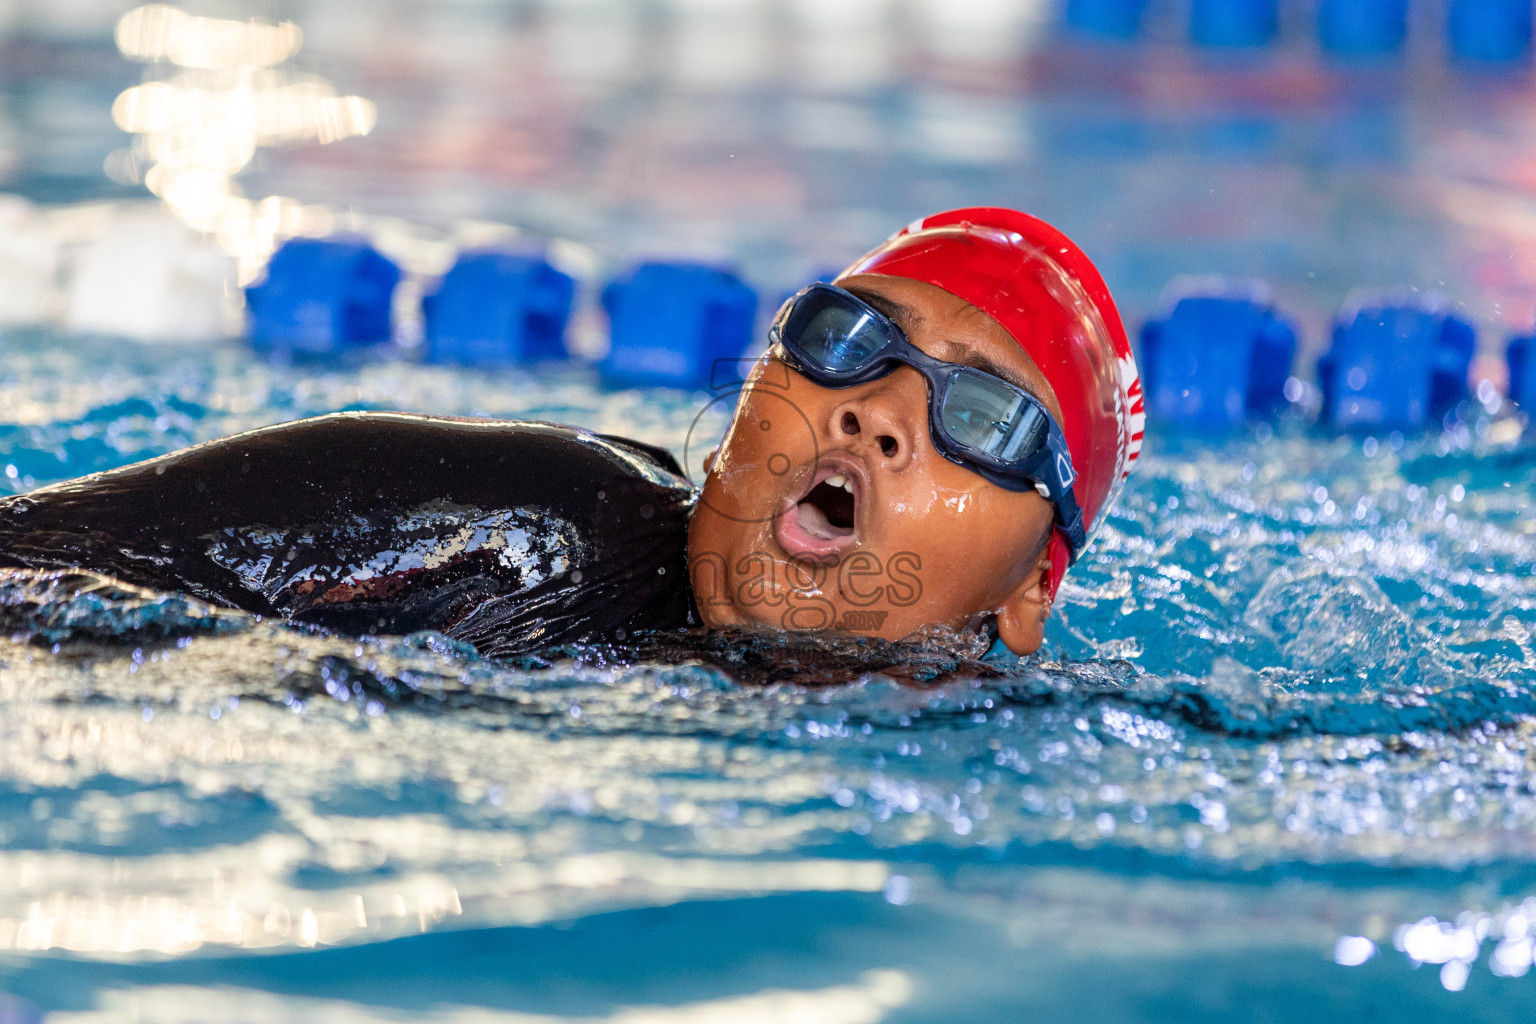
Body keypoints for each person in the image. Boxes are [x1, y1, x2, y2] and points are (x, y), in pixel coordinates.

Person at [0, 207, 1142, 660]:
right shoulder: (531, 526)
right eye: (847, 336)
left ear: (1031, 592)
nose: (882, 410)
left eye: (985, 415)